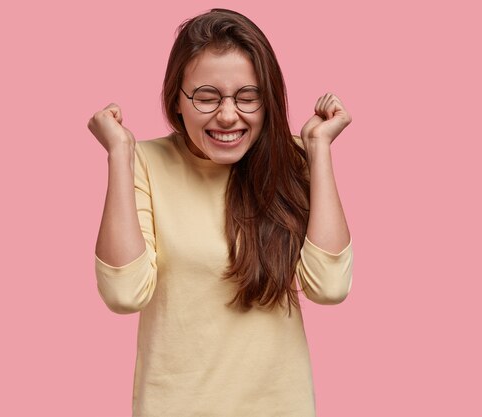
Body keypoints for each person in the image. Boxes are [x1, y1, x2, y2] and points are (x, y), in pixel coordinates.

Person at [87, 8, 353, 417]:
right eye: (207, 97)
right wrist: (120, 152)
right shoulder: (144, 162)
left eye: (247, 97)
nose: (228, 115)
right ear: (177, 100)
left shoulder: (293, 161)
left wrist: (318, 150)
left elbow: (330, 286)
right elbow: (124, 294)